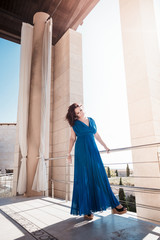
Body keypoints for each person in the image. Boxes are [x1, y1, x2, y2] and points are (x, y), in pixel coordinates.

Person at [65, 103, 127, 220]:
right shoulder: (74, 124)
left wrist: (105, 146)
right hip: (82, 153)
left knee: (101, 176)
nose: (80, 113)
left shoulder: (92, 120)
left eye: (81, 110)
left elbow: (96, 135)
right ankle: (86, 209)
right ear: (74, 115)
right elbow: (72, 138)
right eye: (77, 113)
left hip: (93, 151)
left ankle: (114, 205)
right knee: (84, 179)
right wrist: (68, 154)